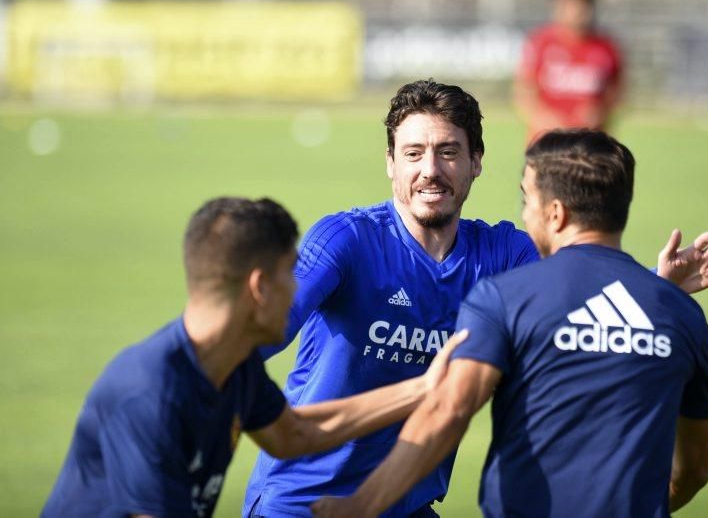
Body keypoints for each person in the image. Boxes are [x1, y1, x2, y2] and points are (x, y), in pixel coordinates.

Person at [243, 80, 708, 517]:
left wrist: (655, 286)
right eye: (413, 153)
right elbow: (258, 338)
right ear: (390, 164)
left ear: (476, 161)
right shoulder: (346, 240)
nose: (430, 170)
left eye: (448, 152)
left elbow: (579, 289)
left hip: (408, 503)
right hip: (302, 500)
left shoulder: (504, 251)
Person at [41, 196, 466, 518]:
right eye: (290, 273)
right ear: (260, 287)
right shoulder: (148, 394)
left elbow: (294, 435)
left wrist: (424, 388)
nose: (298, 289)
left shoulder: (233, 365)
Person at [514, 0, 623, 141]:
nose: (575, 14)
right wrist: (544, 118)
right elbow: (524, 89)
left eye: (580, 7)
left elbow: (617, 91)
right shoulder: (541, 43)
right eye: (569, 7)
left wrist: (600, 112)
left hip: (591, 143)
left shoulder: (606, 46)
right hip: (545, 143)